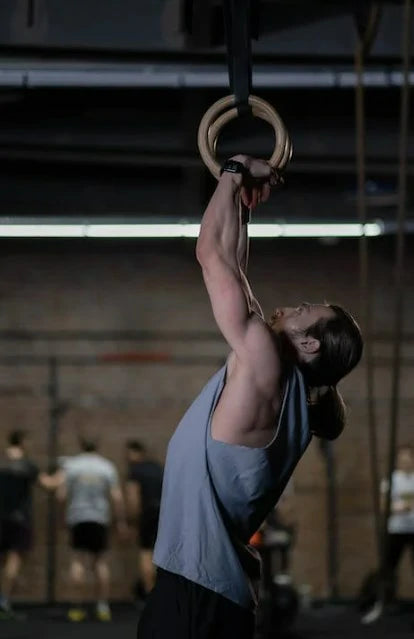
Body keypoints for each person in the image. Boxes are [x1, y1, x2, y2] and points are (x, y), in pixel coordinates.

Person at [137, 155, 363, 639]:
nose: (292, 305)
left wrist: (233, 169)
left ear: (310, 343)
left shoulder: (266, 363)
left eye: (304, 310)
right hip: (204, 587)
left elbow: (209, 255)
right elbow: (234, 268)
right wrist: (242, 205)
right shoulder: (278, 375)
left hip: (197, 593)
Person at [56, 436, 127, 622]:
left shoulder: (72, 466)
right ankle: (103, 607)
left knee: (77, 561)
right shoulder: (107, 466)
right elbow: (117, 497)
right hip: (99, 519)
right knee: (100, 563)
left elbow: (61, 495)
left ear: (81, 446)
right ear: (97, 446)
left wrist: (62, 517)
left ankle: (76, 609)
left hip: (78, 518)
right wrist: (120, 522)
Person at [0, 430, 55, 618]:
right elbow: (49, 485)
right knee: (13, 560)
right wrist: (64, 472)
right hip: (19, 519)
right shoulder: (28, 465)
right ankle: (3, 602)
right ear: (22, 441)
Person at [361, 445, 414, 624]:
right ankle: (382, 603)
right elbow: (384, 506)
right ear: (398, 460)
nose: (405, 461)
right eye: (402, 458)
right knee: (388, 569)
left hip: (413, 530)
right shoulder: (392, 481)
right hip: (396, 530)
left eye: (408, 458)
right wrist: (402, 507)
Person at [125, 440, 163, 599]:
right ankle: (160, 594)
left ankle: (149, 594)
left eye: (128, 453)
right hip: (163, 513)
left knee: (145, 552)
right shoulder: (158, 468)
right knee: (160, 554)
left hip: (146, 513)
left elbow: (133, 497)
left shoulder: (135, 471)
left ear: (136, 452)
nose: (126, 458)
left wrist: (132, 520)